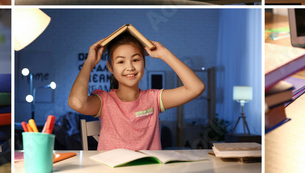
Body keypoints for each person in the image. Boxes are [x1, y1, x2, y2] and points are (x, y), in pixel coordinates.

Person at [67, 31, 204, 150]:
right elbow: (76, 103)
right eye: (121, 62)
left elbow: (196, 88)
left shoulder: (154, 98)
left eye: (136, 60)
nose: (130, 67)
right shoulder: (103, 101)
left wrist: (164, 54)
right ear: (110, 67)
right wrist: (89, 63)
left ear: (144, 63)